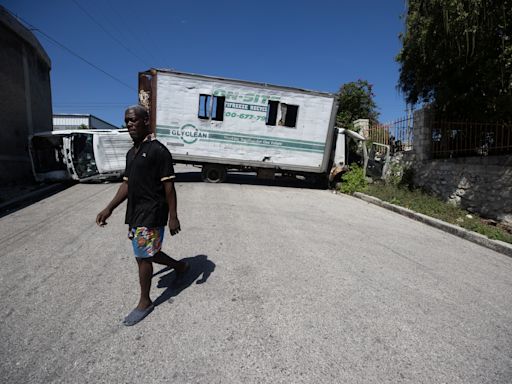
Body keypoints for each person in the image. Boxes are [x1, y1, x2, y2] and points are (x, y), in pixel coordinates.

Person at [96, 105, 188, 326]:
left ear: (146, 121)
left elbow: (169, 187)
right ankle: (180, 267)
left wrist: (173, 216)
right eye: (127, 121)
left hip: (153, 211)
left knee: (143, 256)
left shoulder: (158, 151)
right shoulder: (131, 153)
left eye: (133, 120)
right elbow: (126, 186)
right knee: (149, 250)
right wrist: (109, 207)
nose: (129, 124)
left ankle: (145, 301)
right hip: (135, 213)